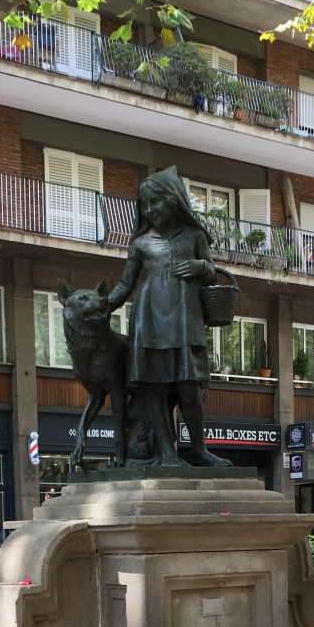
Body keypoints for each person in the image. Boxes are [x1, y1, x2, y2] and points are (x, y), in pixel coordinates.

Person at [107, 167, 231, 466]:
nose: (150, 210)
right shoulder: (140, 243)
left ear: (173, 201)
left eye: (155, 203)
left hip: (185, 321)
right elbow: (125, 284)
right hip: (149, 320)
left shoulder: (193, 235)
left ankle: (199, 449)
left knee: (189, 390)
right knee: (155, 390)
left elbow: (213, 273)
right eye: (144, 205)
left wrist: (201, 267)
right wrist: (101, 306)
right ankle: (165, 452)